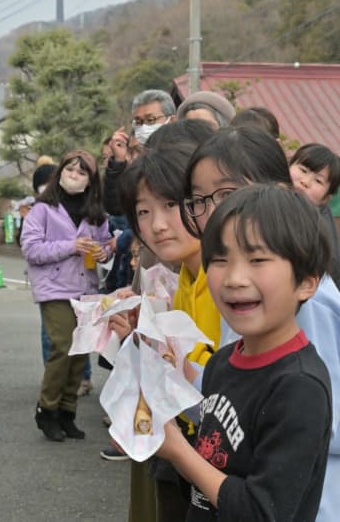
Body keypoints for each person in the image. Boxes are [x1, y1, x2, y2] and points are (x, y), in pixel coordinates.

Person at [179, 125, 340, 522]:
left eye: (228, 193)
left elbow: (319, 423)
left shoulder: (312, 313)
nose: (234, 277)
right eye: (201, 199)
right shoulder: (232, 348)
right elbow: (233, 409)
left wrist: (178, 453)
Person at [118, 133, 220, 522]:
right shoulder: (186, 280)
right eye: (143, 212)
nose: (157, 225)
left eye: (171, 205)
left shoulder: (228, 283)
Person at [21, 150, 111, 442]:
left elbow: (105, 245)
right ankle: (46, 410)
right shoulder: (42, 209)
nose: (74, 175)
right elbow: (31, 249)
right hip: (55, 288)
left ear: (91, 180)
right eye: (70, 169)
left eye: (82, 172)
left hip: (86, 288)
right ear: (60, 172)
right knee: (62, 347)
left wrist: (104, 250)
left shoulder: (96, 213)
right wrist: (71, 246)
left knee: (80, 351)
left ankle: (67, 412)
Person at [289, 143, 340, 289]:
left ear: (325, 199)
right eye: (303, 170)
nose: (305, 182)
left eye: (318, 181)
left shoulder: (315, 236)